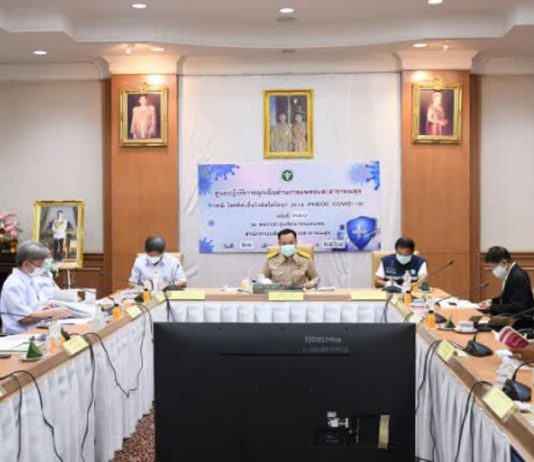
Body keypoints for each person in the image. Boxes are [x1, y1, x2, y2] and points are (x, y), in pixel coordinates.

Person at [0, 241, 73, 335]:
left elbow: (30, 307)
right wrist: (52, 312)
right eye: (39, 265)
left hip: (35, 330)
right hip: (18, 335)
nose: (42, 268)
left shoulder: (30, 279)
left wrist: (42, 308)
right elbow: (24, 318)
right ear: (26, 264)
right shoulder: (14, 284)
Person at [479, 247, 534, 319]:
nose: (493, 270)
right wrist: (492, 301)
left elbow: (519, 307)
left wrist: (492, 307)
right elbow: (508, 298)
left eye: (493, 267)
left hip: (519, 320)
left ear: (503, 263)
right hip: (511, 317)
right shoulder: (512, 273)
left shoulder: (518, 277)